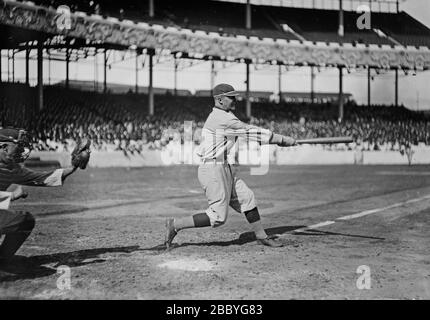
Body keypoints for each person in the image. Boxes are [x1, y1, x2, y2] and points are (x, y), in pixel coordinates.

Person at [164, 84, 297, 248]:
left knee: (247, 198)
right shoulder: (223, 118)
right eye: (230, 97)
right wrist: (281, 140)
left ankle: (261, 236)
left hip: (224, 167)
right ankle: (175, 224)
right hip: (213, 169)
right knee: (218, 217)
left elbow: (246, 132)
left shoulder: (226, 115)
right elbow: (250, 131)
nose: (234, 100)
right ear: (219, 99)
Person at [0, 128, 89, 264]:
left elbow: (42, 178)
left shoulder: (12, 168)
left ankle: (2, 260)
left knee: (25, 221)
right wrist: (11, 195)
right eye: (18, 147)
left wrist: (72, 167)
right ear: (4, 147)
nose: (21, 151)